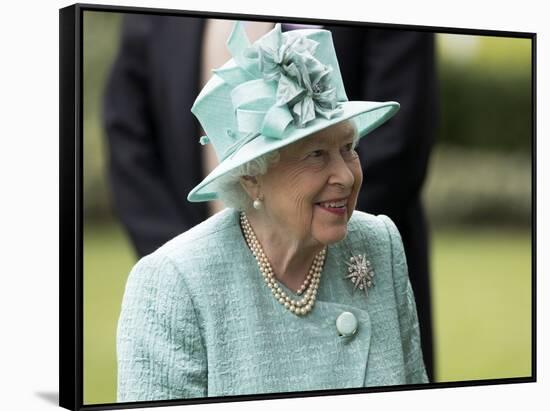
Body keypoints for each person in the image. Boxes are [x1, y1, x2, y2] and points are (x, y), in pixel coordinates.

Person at [103, 17, 436, 381]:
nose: (344, 175)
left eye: (348, 147)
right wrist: (195, 266)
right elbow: (127, 136)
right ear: (250, 177)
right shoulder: (174, 281)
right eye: (315, 154)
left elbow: (401, 143)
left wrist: (317, 222)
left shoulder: (380, 244)